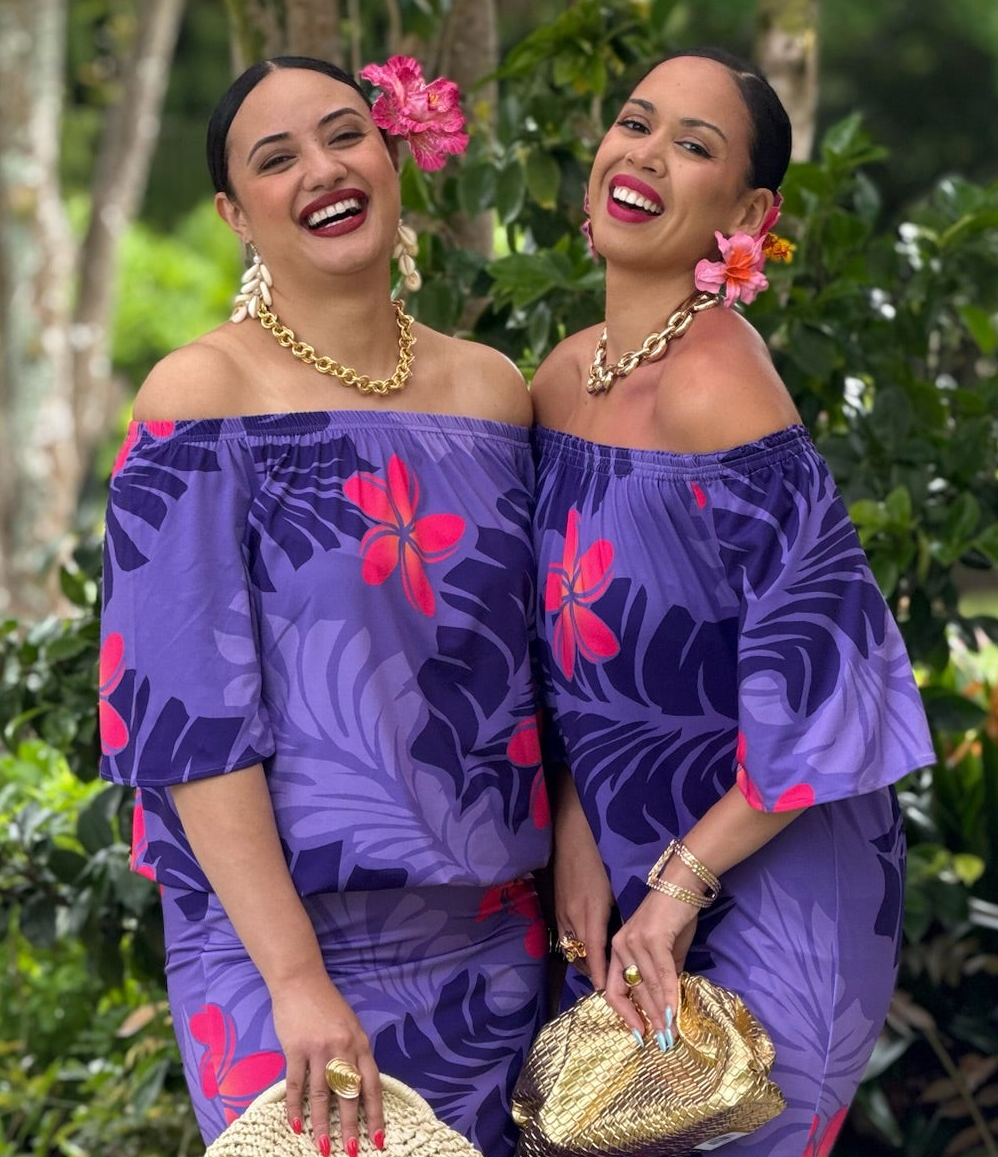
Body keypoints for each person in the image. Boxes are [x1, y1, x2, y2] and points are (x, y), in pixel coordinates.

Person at [98, 55, 550, 1157]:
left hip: (490, 946)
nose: (321, 169)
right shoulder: (200, 397)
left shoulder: (494, 391)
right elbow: (186, 720)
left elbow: (540, 678)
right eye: (275, 157)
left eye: (345, 134)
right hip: (274, 959)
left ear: (392, 157)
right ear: (232, 213)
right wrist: (296, 979)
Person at [530, 48, 935, 1156]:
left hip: (775, 866)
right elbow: (566, 658)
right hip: (628, 866)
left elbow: (835, 682)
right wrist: (574, 816)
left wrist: (680, 882)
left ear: (749, 212)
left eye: (694, 145)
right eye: (634, 122)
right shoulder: (562, 380)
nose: (646, 154)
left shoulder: (718, 385)